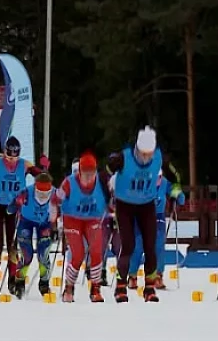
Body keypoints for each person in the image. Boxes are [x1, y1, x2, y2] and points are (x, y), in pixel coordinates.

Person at [106, 126, 182, 303]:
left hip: (147, 205)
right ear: (137, 149)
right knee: (128, 245)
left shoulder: (158, 157)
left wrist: (176, 188)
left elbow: (174, 175)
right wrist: (109, 184)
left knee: (151, 245)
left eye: (149, 153)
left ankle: (149, 287)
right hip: (125, 205)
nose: (146, 158)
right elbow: (107, 171)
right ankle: (120, 286)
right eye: (142, 154)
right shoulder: (124, 157)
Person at [0, 136, 48, 296]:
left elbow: (40, 176)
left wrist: (44, 169)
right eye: (9, 157)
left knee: (13, 246)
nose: (12, 161)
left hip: (15, 208)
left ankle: (13, 280)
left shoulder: (24, 164)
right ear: (5, 153)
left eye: (14, 157)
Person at [52, 153, 109, 303]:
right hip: (72, 219)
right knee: (78, 254)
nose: (89, 177)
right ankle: (69, 287)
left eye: (92, 173)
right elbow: (55, 200)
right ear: (80, 171)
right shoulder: (69, 183)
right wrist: (54, 219)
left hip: (93, 219)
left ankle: (96, 287)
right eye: (86, 173)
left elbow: (112, 197)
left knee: (96, 251)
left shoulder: (101, 182)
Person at [128, 173, 185, 290]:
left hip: (158, 216)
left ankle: (157, 276)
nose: (157, 180)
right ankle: (132, 275)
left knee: (158, 245)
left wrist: (177, 193)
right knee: (138, 245)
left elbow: (180, 197)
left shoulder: (164, 183)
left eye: (159, 177)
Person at [10, 172, 55, 299]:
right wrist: (16, 203)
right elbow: (10, 209)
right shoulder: (27, 192)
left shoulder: (55, 194)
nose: (42, 196)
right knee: (27, 254)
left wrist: (57, 227)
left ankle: (44, 283)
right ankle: (19, 282)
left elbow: (62, 210)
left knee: (43, 253)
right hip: (26, 222)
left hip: (44, 224)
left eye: (46, 193)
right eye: (40, 193)